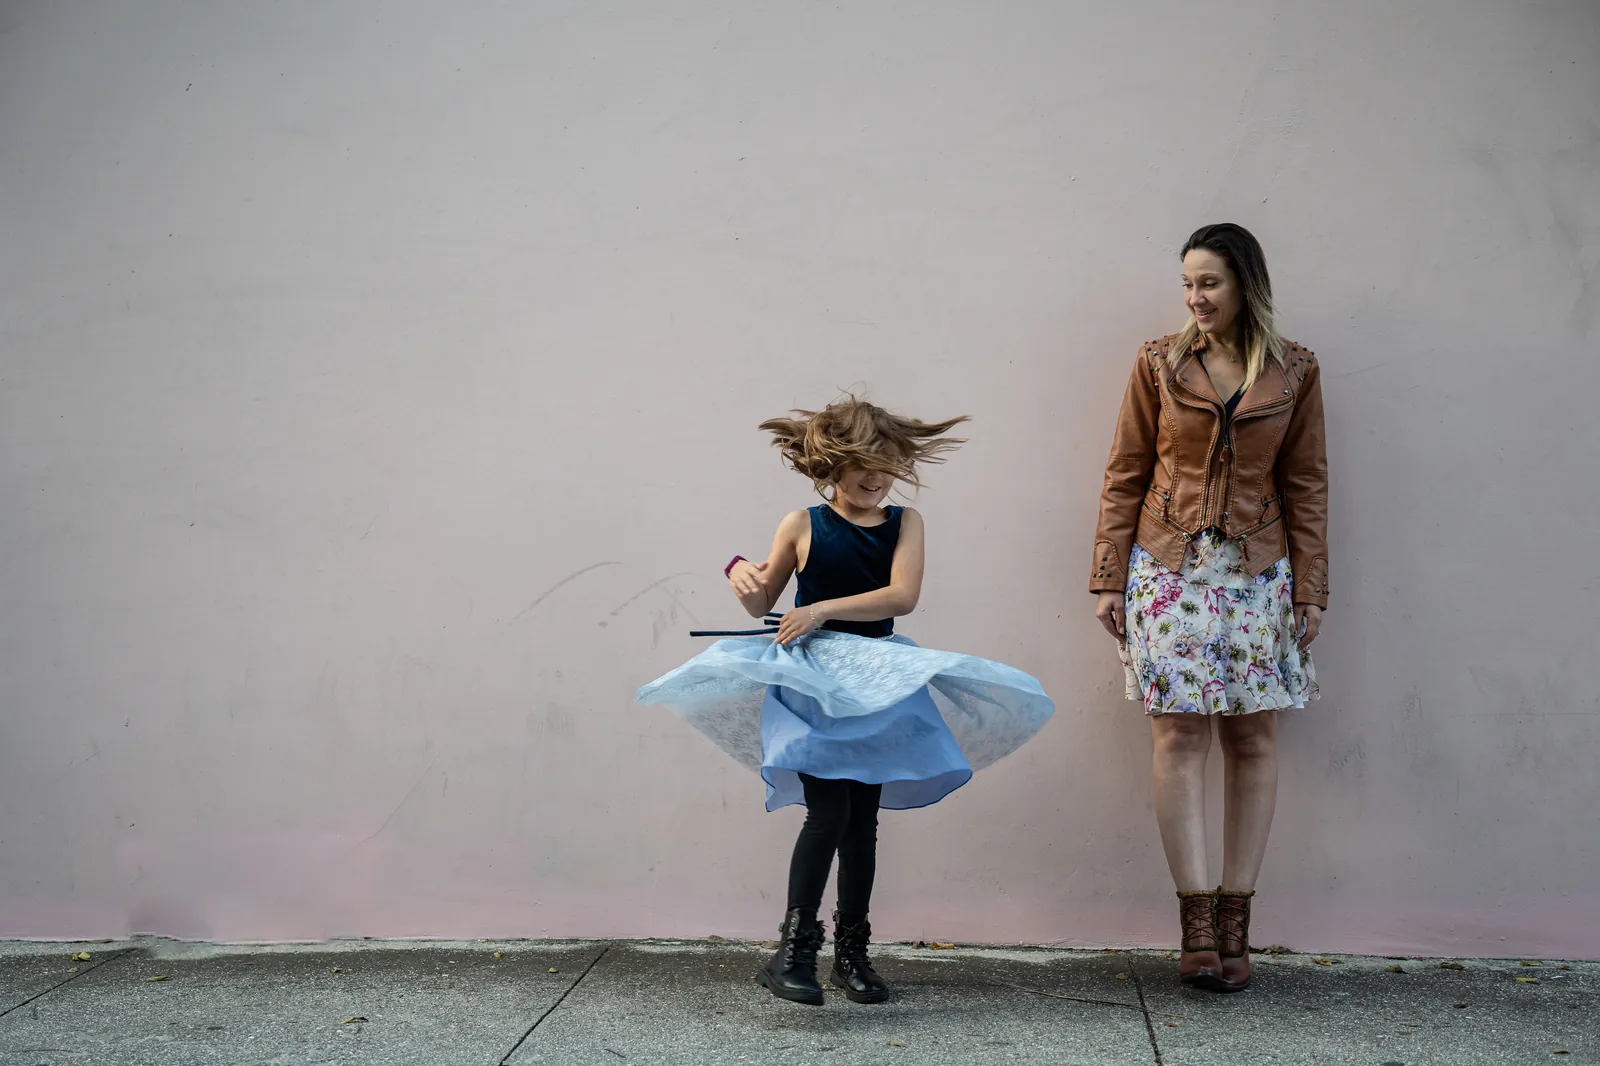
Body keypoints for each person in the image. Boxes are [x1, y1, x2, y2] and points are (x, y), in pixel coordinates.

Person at [639, 397, 1055, 1006]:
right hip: (812, 684)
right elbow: (761, 607)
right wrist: (740, 576)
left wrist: (823, 609)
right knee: (827, 812)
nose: (877, 477)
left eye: (887, 464)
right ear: (832, 463)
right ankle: (793, 952)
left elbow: (901, 597)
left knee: (863, 823)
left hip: (879, 680)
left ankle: (852, 954)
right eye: (863, 463)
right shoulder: (801, 523)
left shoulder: (904, 523)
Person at [1090, 223, 1329, 992]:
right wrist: (1105, 575)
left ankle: (1237, 924)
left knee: (1254, 735)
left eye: (1210, 283)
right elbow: (1125, 469)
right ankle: (1195, 925)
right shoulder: (1158, 363)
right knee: (1178, 735)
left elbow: (1308, 484)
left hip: (1259, 567)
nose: (1195, 298)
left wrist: (1311, 586)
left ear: (1244, 284)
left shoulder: (1295, 371)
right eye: (1188, 284)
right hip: (1167, 565)